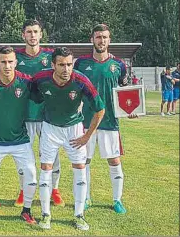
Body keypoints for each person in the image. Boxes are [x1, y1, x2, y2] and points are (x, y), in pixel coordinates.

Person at [32, 47, 105, 231]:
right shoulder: (41, 79)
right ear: (53, 65)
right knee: (46, 168)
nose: (66, 69)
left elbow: (100, 109)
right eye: (62, 65)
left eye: (69, 64)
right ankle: (45, 214)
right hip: (50, 129)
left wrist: (87, 136)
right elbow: (32, 95)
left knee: (80, 169)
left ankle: (79, 215)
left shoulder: (81, 80)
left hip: (74, 130)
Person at [74, 24, 130, 214]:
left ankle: (117, 200)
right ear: (92, 39)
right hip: (85, 121)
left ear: (109, 39)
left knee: (114, 161)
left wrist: (131, 109)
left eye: (105, 37)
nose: (102, 40)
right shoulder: (80, 64)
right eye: (98, 37)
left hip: (110, 122)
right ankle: (86, 197)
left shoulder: (118, 65)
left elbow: (124, 91)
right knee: (84, 160)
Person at [0, 46, 37, 226]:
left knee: (31, 175)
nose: (7, 65)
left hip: (20, 139)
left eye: (10, 61)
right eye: (3, 62)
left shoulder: (26, 82)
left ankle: (26, 211)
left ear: (16, 62)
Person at [15, 19, 64, 207]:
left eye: (35, 32)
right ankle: (23, 190)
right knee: (23, 156)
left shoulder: (51, 57)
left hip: (48, 115)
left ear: (41, 34)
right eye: (29, 32)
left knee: (52, 155)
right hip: (24, 115)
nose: (32, 35)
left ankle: (55, 190)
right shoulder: (15, 57)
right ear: (23, 35)